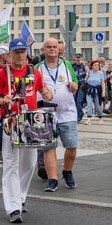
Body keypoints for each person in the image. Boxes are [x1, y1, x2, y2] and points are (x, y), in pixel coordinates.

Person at [0, 38, 53, 223]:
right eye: (17, 52)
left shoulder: (34, 72)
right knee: (11, 164)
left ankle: (20, 197)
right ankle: (13, 207)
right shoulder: (1, 73)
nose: (20, 55)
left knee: (29, 164)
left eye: (23, 51)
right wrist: (2, 100)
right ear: (10, 54)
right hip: (11, 122)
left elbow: (43, 90)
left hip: (30, 122)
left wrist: (47, 93)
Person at [36, 37, 80, 191]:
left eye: (54, 47)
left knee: (72, 146)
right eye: (49, 47)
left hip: (67, 112)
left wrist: (74, 86)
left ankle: (67, 171)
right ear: (43, 50)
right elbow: (31, 88)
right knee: (49, 147)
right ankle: (52, 179)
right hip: (46, 113)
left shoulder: (67, 65)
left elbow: (75, 83)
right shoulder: (38, 68)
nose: (52, 49)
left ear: (59, 49)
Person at [71, 53, 88, 122]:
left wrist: (84, 64)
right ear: (75, 58)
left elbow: (88, 72)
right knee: (74, 101)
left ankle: (79, 116)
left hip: (82, 85)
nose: (78, 59)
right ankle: (78, 114)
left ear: (81, 58)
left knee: (79, 101)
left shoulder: (84, 65)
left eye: (79, 57)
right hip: (75, 84)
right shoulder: (73, 65)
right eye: (77, 57)